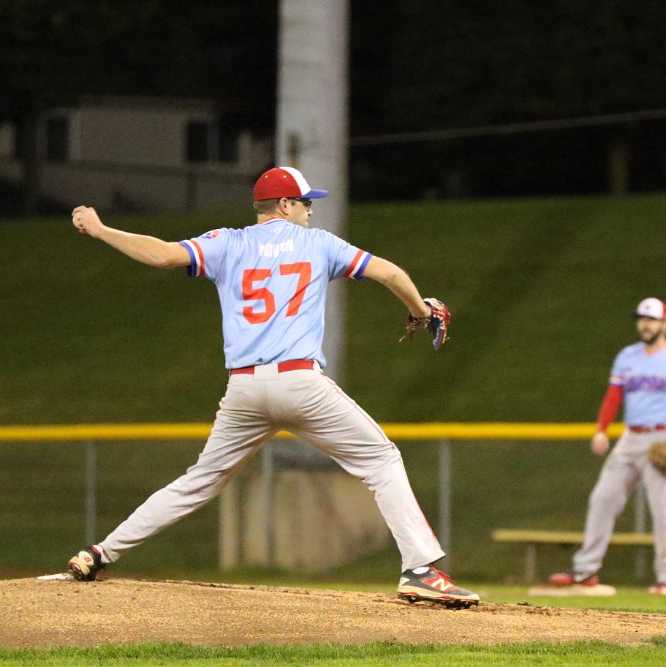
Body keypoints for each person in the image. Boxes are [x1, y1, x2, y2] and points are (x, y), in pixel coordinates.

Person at [65, 166, 478, 608]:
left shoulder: (227, 242)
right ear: (284, 204)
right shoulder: (319, 244)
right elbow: (390, 274)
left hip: (244, 390)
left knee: (199, 481)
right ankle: (420, 570)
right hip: (300, 383)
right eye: (305, 202)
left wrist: (102, 230)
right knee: (381, 459)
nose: (310, 211)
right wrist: (422, 310)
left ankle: (101, 552)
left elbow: (162, 255)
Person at [548, 297, 666, 595]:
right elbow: (614, 396)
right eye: (642, 319)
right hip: (630, 439)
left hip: (664, 438)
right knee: (602, 499)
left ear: (665, 324)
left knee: (662, 510)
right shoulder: (627, 357)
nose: (645, 324)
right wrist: (601, 430)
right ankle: (585, 571)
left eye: (652, 319)